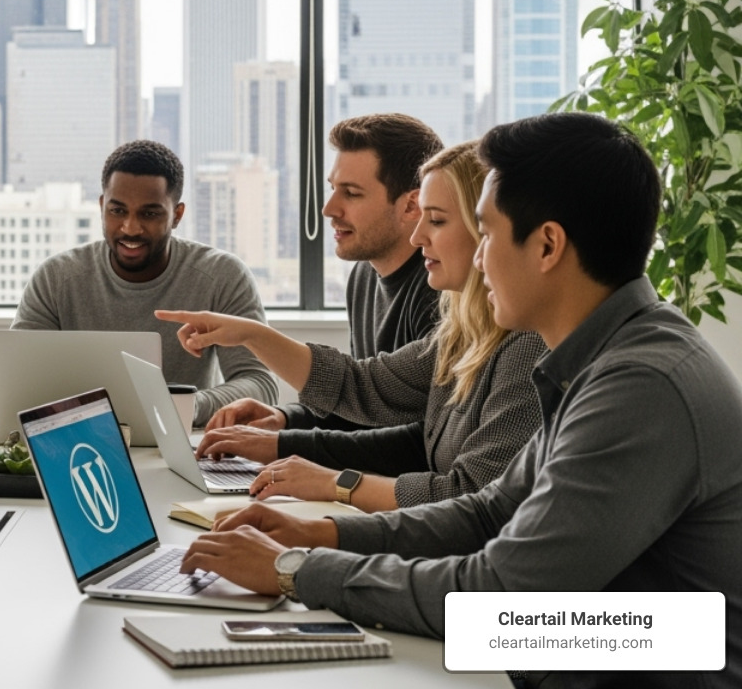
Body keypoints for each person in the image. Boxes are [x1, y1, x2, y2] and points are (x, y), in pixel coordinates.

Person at [178, 113, 742, 686]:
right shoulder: (602, 359)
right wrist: (320, 534)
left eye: (488, 233)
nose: (477, 259)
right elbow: (490, 512)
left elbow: (499, 599)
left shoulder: (642, 387)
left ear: (547, 245)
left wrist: (296, 570)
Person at [158, 141, 545, 512]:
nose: (418, 236)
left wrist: (335, 484)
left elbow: (470, 497)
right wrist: (253, 342)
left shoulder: (526, 345)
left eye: (438, 220)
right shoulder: (460, 331)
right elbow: (367, 388)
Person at [13, 140, 275, 426]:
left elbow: (260, 383)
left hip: (185, 448)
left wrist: (186, 406)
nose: (130, 227)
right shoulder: (56, 279)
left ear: (177, 215)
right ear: (102, 206)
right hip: (78, 443)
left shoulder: (222, 276)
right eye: (117, 211)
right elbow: (17, 378)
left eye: (149, 214)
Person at [211, 113, 444, 433]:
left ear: (410, 206)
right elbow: (364, 409)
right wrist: (285, 419)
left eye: (351, 193)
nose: (328, 209)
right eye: (333, 189)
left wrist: (287, 446)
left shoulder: (442, 290)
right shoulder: (363, 275)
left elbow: (418, 439)